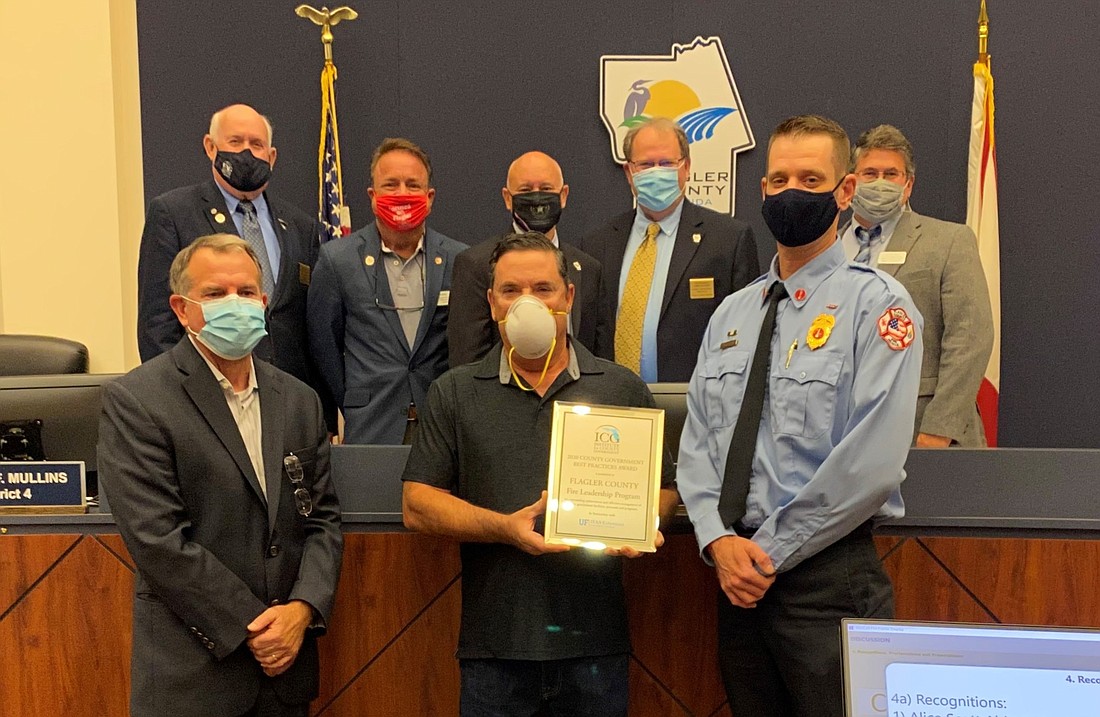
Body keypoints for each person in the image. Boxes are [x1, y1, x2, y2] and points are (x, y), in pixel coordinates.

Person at [677, 115, 923, 716]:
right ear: (761, 191)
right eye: (780, 178)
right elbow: (700, 443)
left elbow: (873, 464)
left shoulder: (879, 306)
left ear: (845, 193)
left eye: (811, 179)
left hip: (827, 579)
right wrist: (717, 540)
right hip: (738, 582)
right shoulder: (732, 315)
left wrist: (769, 553)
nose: (792, 191)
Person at [402, 233, 679, 716]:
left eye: (543, 288)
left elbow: (666, 492)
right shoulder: (455, 391)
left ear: (569, 297)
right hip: (495, 651)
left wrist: (640, 522)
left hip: (596, 648)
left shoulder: (621, 388)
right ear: (492, 304)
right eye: (511, 290)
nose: (526, 301)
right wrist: (503, 528)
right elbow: (417, 504)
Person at [99, 234, 343, 717]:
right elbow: (158, 541)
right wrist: (256, 626)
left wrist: (302, 610)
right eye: (215, 294)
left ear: (265, 302)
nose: (236, 304)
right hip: (193, 677)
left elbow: (322, 520)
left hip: (285, 677)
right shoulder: (138, 401)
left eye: (247, 292)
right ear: (182, 309)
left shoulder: (299, 400)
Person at [137, 104, 324, 401]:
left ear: (272, 156)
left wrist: (320, 412)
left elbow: (311, 326)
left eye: (257, 144)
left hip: (285, 398)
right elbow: (157, 324)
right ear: (210, 147)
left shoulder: (300, 225)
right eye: (235, 142)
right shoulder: (174, 213)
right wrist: (175, 400)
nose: (246, 154)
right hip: (202, 395)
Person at [308, 137, 467, 444]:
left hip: (440, 423)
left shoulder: (459, 260)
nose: (402, 194)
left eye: (413, 185)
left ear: (430, 196)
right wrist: (355, 397)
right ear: (372, 195)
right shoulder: (337, 260)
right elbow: (323, 346)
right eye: (391, 185)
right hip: (370, 422)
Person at [842, 124, 994, 446]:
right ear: (850, 182)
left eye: (891, 174)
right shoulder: (825, 249)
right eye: (870, 173)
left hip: (921, 432)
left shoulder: (949, 241)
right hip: (840, 437)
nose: (880, 182)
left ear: (908, 185)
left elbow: (970, 337)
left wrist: (939, 429)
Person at [582, 117, 759, 382]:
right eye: (645, 164)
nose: (656, 172)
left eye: (666, 163)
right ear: (629, 173)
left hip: (694, 407)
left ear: (686, 168)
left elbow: (745, 336)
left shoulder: (728, 241)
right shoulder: (598, 245)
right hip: (615, 408)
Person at [447, 151, 611, 366]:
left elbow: (600, 361)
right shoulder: (475, 265)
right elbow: (466, 362)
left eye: (546, 189)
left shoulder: (588, 268)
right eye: (525, 190)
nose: (537, 198)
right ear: (508, 198)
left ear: (563, 195)